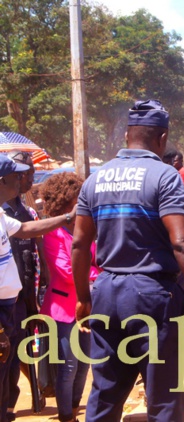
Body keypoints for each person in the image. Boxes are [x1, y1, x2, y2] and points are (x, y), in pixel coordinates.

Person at [72, 100, 184, 421]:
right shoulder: (165, 178)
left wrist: (84, 297)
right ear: (162, 139)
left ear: (127, 135)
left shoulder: (96, 180)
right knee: (163, 396)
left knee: (106, 391)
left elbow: (80, 244)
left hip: (106, 292)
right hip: (153, 297)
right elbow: (181, 242)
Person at [0, 155, 78, 421]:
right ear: (4, 181)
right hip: (2, 307)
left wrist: (67, 217)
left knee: (11, 360)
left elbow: (27, 230)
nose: (24, 179)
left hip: (16, 302)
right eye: (18, 175)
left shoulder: (10, 214)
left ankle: (8, 408)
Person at [39, 173, 99, 422]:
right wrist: (96, 274)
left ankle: (74, 411)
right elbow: (65, 271)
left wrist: (93, 272)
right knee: (68, 368)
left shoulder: (85, 228)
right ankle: (66, 416)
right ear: (65, 203)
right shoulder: (52, 233)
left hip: (87, 306)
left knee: (84, 365)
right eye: (77, 198)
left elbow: (99, 261)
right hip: (62, 309)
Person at [3, 151, 49, 419]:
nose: (28, 177)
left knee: (19, 347)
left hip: (24, 293)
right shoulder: (4, 212)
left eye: (30, 172)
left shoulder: (25, 210)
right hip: (7, 296)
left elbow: (36, 248)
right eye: (23, 173)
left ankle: (13, 402)